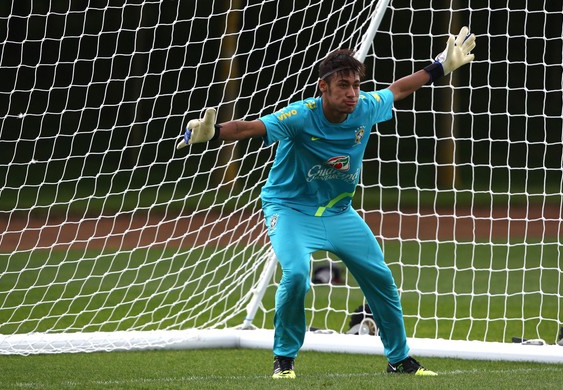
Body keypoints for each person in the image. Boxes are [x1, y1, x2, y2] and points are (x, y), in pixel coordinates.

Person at [178, 26, 476, 379]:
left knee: (380, 278)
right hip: (290, 210)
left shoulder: (365, 107)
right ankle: (284, 360)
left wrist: (440, 66)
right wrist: (212, 133)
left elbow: (399, 89)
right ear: (324, 87)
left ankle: (399, 360)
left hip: (338, 212)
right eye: (343, 86)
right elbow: (248, 129)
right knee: (298, 276)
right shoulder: (301, 115)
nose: (352, 94)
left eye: (355, 86)